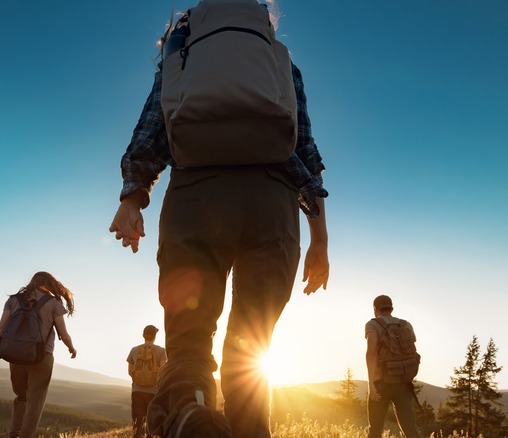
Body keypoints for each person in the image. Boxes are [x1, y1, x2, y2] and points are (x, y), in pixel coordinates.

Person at [109, 1, 330, 436]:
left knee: (189, 342)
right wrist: (319, 240)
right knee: (251, 349)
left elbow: (150, 131)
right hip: (273, 207)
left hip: (197, 200)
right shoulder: (281, 65)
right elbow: (306, 153)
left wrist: (132, 197)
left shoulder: (181, 59)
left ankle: (190, 412)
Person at [0, 272, 77, 438]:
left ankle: (14, 433)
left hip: (16, 355)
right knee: (35, 402)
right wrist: (71, 349)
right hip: (42, 358)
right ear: (50, 284)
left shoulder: (14, 300)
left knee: (21, 397)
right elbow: (64, 334)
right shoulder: (53, 303)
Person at [365, 295, 420, 438]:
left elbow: (371, 353)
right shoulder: (406, 325)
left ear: (375, 309)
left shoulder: (372, 325)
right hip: (403, 382)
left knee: (375, 430)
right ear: (391, 308)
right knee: (410, 430)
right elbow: (410, 351)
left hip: (381, 383)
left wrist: (371, 383)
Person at [127, 325, 168, 438]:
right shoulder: (161, 351)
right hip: (154, 392)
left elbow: (130, 371)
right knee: (151, 422)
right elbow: (162, 371)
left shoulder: (134, 350)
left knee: (137, 422)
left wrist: (139, 380)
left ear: (143, 335)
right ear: (155, 336)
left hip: (137, 391)